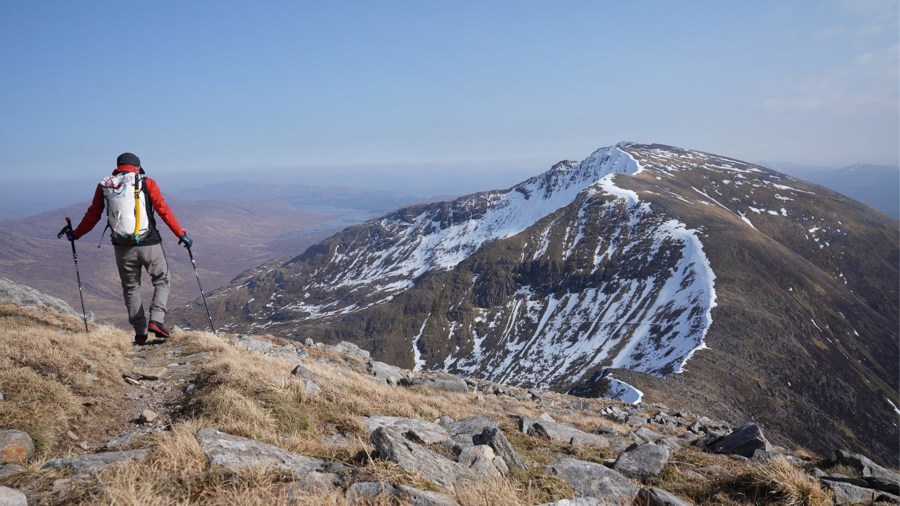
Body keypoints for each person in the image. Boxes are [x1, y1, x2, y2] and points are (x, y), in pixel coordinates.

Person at [67, 152, 193, 345]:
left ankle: (140, 332)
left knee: (131, 288)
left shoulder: (105, 186)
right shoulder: (147, 182)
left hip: (123, 248)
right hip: (150, 243)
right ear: (137, 167)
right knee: (161, 279)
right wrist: (181, 235)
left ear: (118, 167)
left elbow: (93, 215)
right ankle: (157, 320)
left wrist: (76, 234)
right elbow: (163, 210)